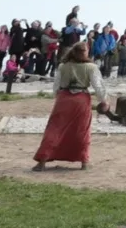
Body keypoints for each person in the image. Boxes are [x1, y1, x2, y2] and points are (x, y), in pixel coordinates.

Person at [34, 41, 105, 169]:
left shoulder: (63, 66)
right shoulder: (91, 67)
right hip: (81, 100)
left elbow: (56, 87)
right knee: (81, 130)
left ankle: (42, 161)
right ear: (85, 53)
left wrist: (59, 97)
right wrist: (103, 100)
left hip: (64, 99)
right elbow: (98, 86)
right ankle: (84, 162)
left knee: (54, 129)